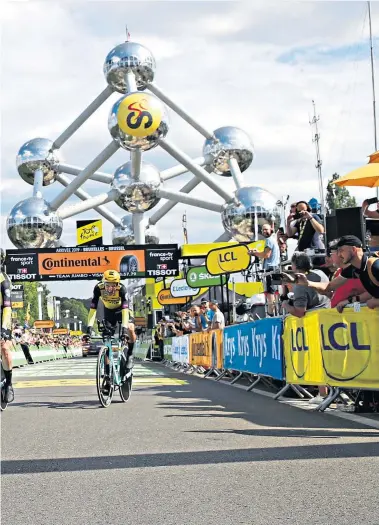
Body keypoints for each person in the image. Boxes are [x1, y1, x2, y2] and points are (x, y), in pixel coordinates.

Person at [296, 236, 379, 310]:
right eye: (337, 251)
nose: (339, 254)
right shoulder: (352, 270)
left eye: (341, 250)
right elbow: (329, 286)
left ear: (353, 250)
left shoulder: (375, 266)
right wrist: (307, 283)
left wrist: (375, 302)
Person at [87, 270, 136, 381]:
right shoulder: (98, 288)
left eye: (113, 285)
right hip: (109, 311)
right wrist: (89, 328)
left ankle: (130, 354)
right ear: (103, 283)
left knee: (130, 328)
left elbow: (125, 311)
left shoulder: (122, 289)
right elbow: (92, 310)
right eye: (108, 285)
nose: (110, 288)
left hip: (123, 310)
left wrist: (123, 330)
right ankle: (107, 374)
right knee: (107, 342)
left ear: (118, 284)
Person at [249, 223, 280, 315]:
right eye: (263, 230)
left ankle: (271, 313)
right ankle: (276, 311)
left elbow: (266, 254)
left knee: (270, 292)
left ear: (271, 230)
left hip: (270, 269)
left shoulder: (268, 240)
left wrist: (254, 253)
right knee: (275, 291)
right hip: (275, 267)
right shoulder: (273, 240)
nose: (264, 231)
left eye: (266, 229)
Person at [0, 248, 14, 403]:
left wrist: (4, 328)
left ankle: (9, 384)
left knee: (4, 347)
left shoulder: (3, 280)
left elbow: (7, 307)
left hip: (2, 312)